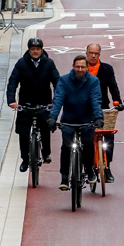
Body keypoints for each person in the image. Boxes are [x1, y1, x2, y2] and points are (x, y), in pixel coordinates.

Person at [48, 54, 102, 191]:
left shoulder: (93, 81)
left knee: (88, 144)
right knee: (66, 146)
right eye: (77, 66)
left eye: (82, 67)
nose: (80, 69)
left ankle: (89, 170)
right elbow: (58, 99)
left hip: (86, 120)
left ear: (87, 68)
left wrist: (98, 117)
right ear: (73, 67)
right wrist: (53, 117)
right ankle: (65, 177)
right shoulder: (64, 80)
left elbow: (95, 100)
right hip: (69, 120)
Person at [7, 36, 60, 172]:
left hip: (44, 102)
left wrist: (55, 101)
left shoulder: (49, 63)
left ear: (42, 50)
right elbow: (13, 82)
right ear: (29, 50)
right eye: (33, 49)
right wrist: (11, 100)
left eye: (38, 49)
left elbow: (57, 83)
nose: (35, 52)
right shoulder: (21, 63)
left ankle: (46, 153)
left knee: (46, 127)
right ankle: (25, 159)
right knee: (23, 133)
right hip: (26, 103)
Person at [85, 42, 121, 182]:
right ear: (86, 53)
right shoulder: (82, 68)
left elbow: (113, 86)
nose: (93, 56)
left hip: (103, 107)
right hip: (85, 108)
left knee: (109, 137)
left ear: (99, 54)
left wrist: (117, 102)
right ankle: (86, 168)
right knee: (85, 138)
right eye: (90, 53)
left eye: (96, 53)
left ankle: (107, 167)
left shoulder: (107, 69)